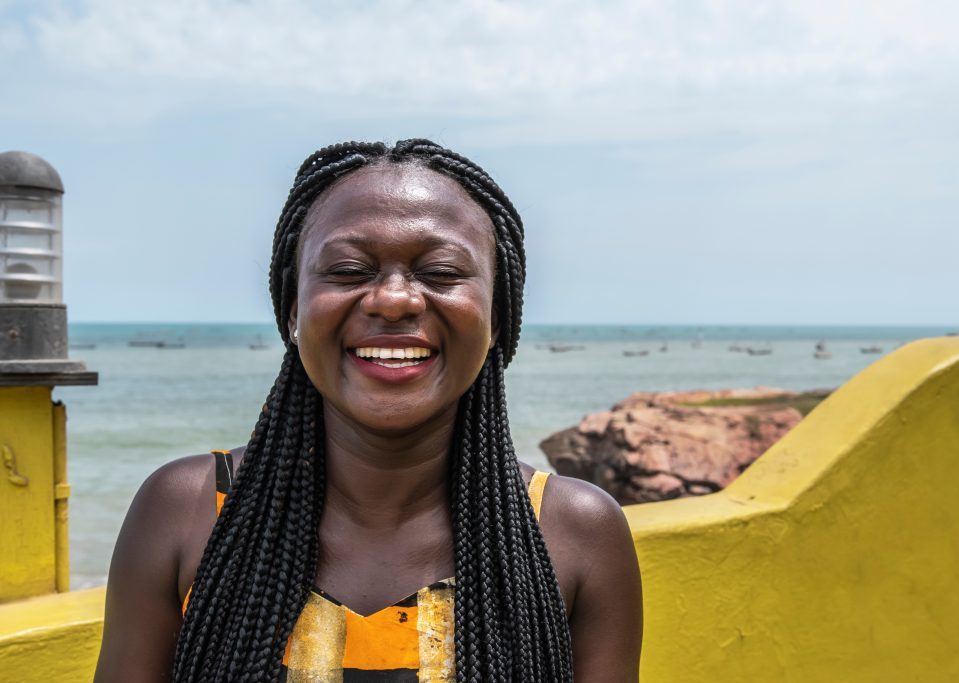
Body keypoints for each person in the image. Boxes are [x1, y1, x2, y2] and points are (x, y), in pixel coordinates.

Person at [94, 139, 643, 682]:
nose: (394, 299)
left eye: (443, 272)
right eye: (348, 271)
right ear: (292, 310)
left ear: (497, 316)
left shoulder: (574, 534)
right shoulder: (187, 512)